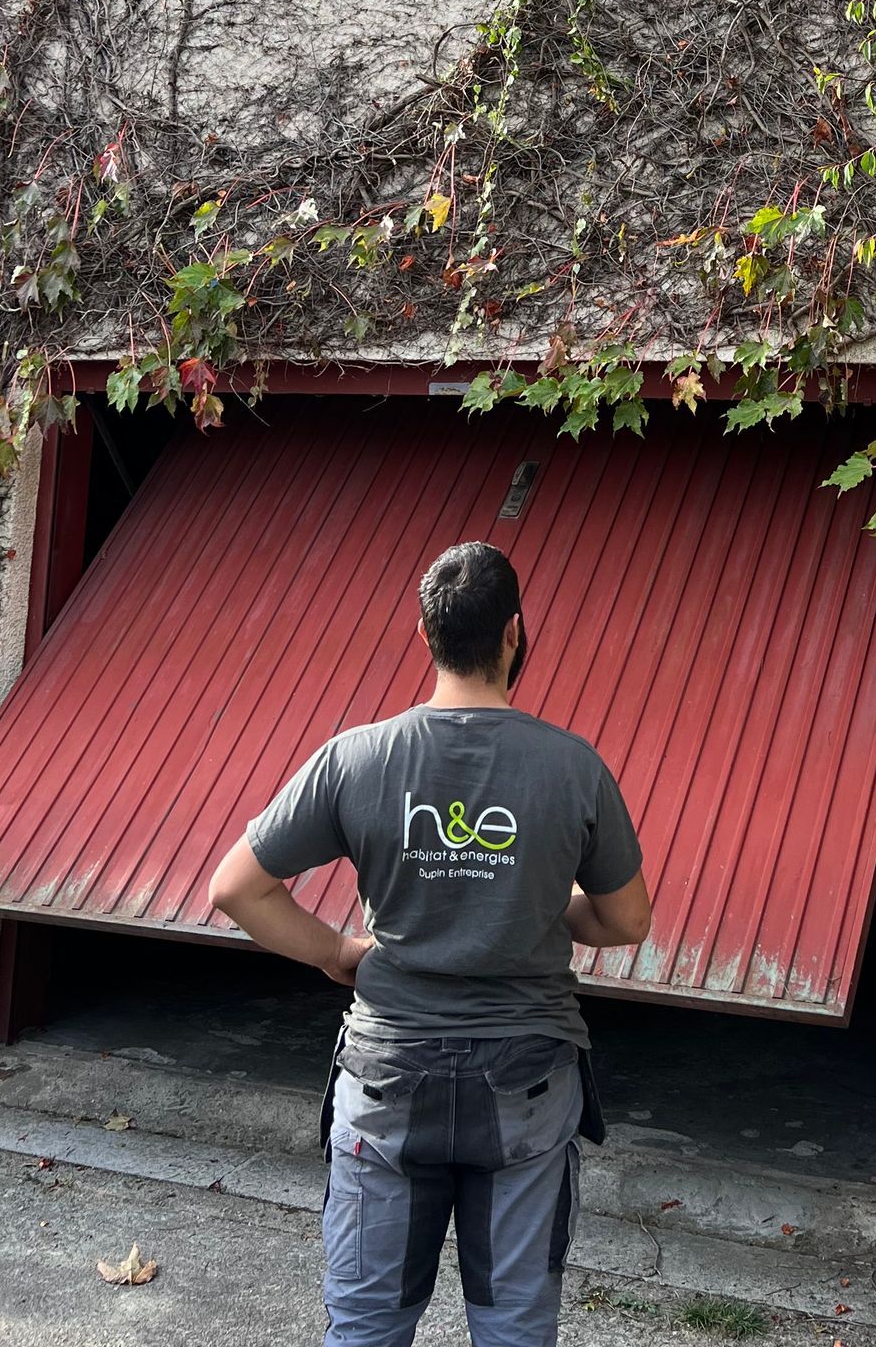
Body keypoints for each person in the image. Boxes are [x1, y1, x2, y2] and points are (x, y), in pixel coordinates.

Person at [210, 540, 652, 1347]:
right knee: (515, 1328)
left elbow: (236, 888)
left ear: (424, 634)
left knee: (367, 1327)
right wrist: (544, 907)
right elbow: (627, 922)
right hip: (526, 1080)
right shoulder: (574, 768)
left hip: (388, 1083)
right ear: (515, 633)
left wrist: (338, 954)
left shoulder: (357, 758)